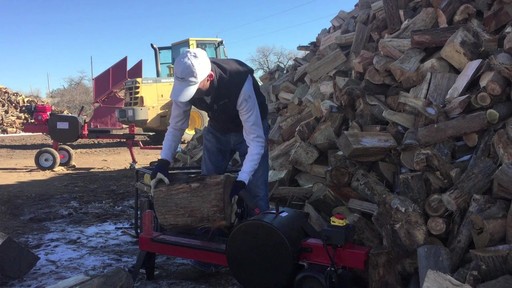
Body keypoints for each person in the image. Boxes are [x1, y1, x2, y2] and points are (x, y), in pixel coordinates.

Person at [150, 48, 270, 219]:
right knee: (208, 185)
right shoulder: (184, 82)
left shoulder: (238, 81)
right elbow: (176, 126)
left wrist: (242, 180)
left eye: (193, 88)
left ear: (209, 77)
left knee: (256, 191)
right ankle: (213, 228)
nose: (189, 94)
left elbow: (256, 142)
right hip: (218, 128)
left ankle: (258, 232)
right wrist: (164, 161)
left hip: (250, 129)